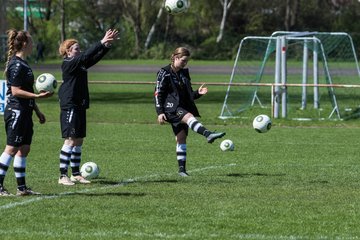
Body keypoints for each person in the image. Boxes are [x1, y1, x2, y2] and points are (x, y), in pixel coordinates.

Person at [57, 29, 119, 185]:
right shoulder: (69, 63)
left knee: (79, 140)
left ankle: (76, 174)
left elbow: (93, 58)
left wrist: (106, 46)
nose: (80, 51)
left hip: (80, 104)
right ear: (68, 52)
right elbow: (86, 56)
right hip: (70, 104)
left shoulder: (79, 64)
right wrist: (101, 41)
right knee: (70, 140)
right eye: (77, 49)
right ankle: (62, 175)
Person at [154, 47, 226, 177]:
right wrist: (160, 112)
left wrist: (198, 93)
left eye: (186, 61)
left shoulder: (184, 73)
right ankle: (208, 134)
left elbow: (189, 96)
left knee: (181, 138)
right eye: (183, 60)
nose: (185, 63)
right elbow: (158, 93)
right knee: (189, 116)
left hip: (182, 107)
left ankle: (182, 170)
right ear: (175, 58)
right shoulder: (164, 72)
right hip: (171, 108)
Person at [0, 29, 52, 196]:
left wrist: (37, 110)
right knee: (11, 148)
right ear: (24, 44)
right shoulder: (16, 64)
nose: (33, 44)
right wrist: (37, 95)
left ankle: (22, 188)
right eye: (30, 41)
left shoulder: (24, 64)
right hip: (16, 111)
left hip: (26, 111)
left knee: (25, 148)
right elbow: (15, 91)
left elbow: (26, 89)